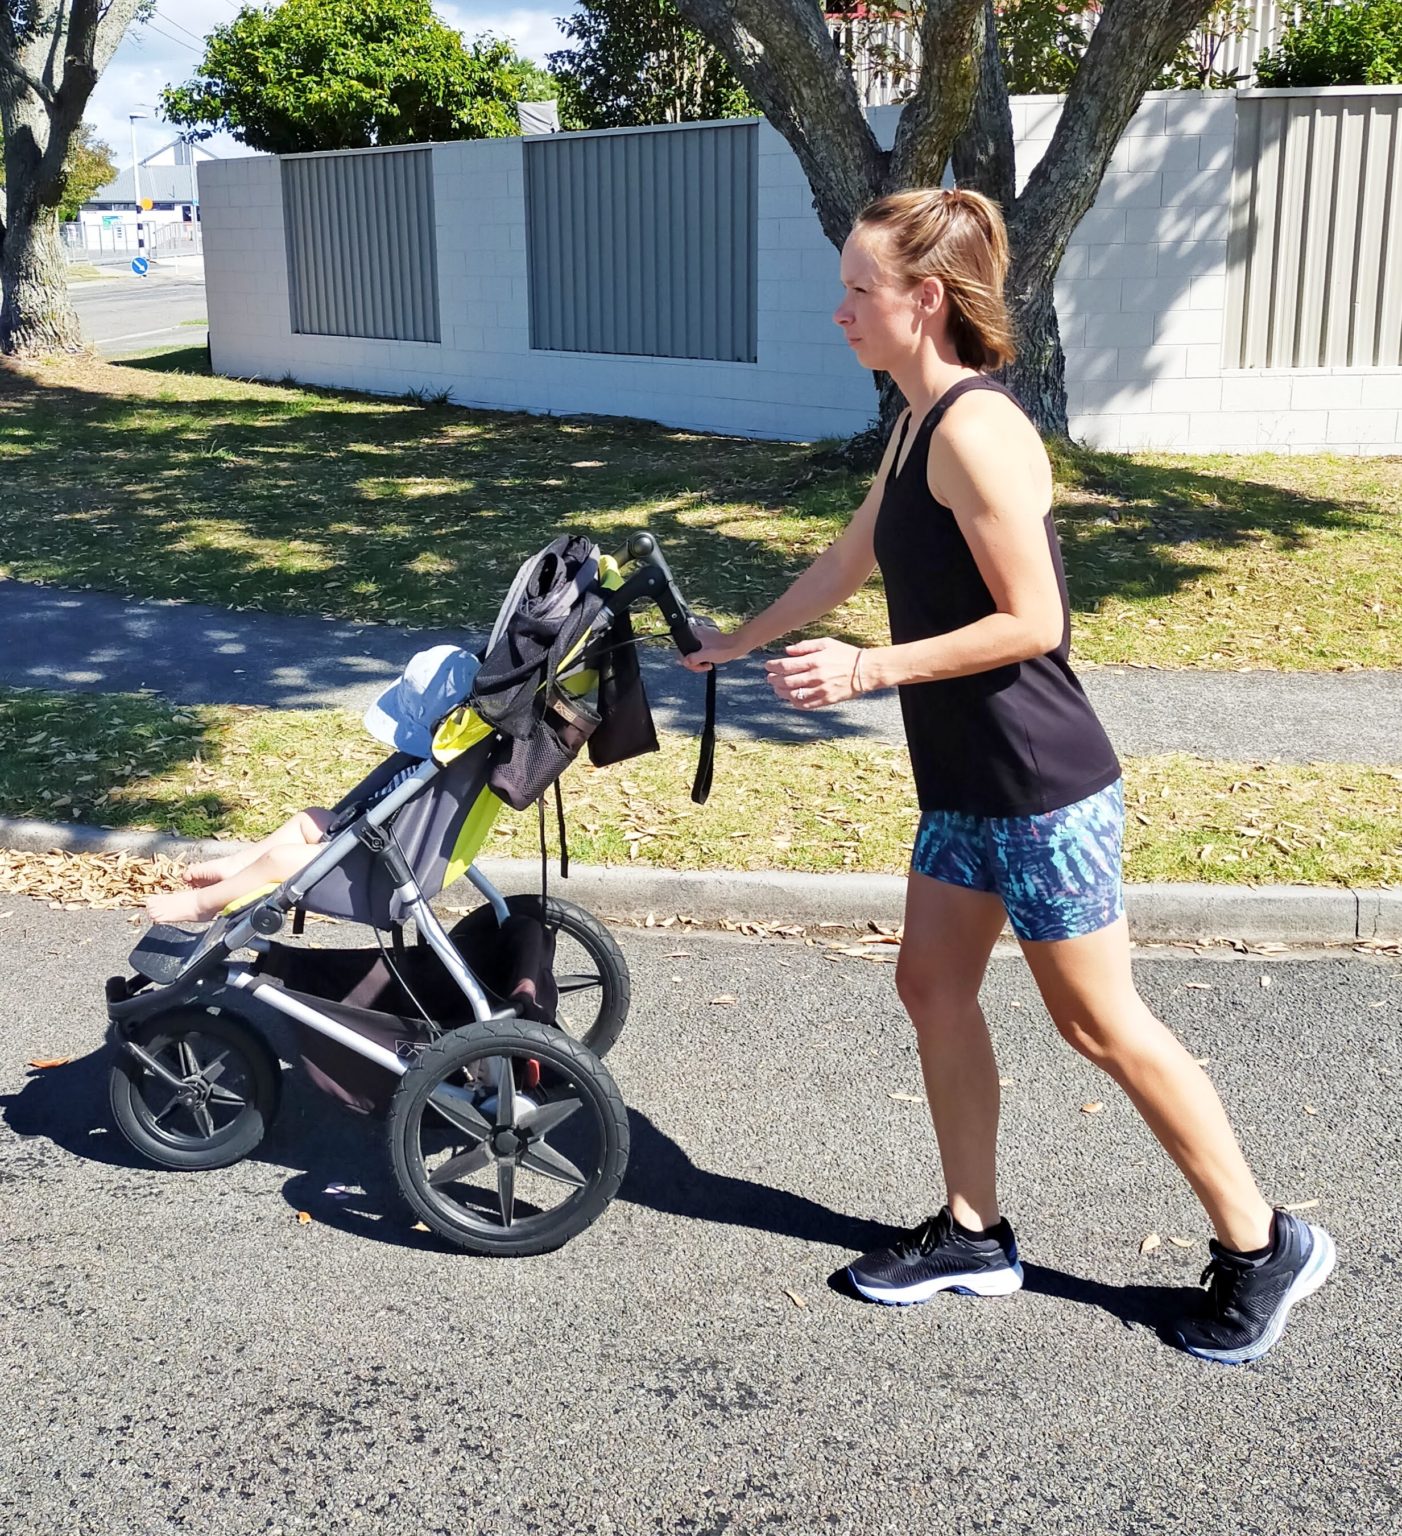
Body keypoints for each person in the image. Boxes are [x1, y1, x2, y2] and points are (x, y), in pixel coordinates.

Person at [683, 187, 1334, 1365]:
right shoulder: (911, 421)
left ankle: (1262, 1244)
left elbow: (1034, 621)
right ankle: (974, 1234)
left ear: (923, 300)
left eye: (858, 291)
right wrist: (741, 638)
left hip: (1040, 783)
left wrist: (870, 669)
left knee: (1099, 1024)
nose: (840, 311)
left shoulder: (981, 430)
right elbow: (854, 552)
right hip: (966, 783)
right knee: (931, 988)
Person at [145, 645, 478, 926]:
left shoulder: (437, 769)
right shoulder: (454, 759)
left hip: (372, 866)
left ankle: (202, 904)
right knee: (309, 818)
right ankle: (236, 867)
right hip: (364, 841)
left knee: (278, 859)